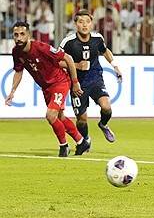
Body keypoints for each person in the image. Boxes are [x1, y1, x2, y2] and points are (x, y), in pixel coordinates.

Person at [5, 21, 90, 157]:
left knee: (50, 115)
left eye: (22, 34)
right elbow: (19, 71)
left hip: (59, 82)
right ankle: (81, 142)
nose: (19, 38)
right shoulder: (16, 52)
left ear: (28, 35)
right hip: (46, 87)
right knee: (60, 117)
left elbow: (67, 58)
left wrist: (75, 82)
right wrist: (12, 91)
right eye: (16, 35)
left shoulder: (41, 48)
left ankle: (64, 147)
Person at [59, 9, 123, 149]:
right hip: (77, 84)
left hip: (95, 78)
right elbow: (57, 61)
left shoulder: (98, 38)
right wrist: (77, 66)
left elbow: (105, 50)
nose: (84, 25)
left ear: (92, 24)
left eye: (87, 22)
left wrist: (114, 66)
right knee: (82, 119)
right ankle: (85, 139)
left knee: (106, 107)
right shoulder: (68, 42)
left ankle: (103, 124)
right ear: (75, 24)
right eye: (81, 22)